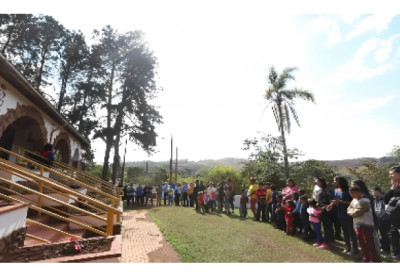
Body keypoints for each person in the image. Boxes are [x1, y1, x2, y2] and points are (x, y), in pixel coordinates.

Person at [347, 182, 380, 262]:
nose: (351, 195)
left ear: (359, 192)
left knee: (369, 245)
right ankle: (365, 259)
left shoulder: (365, 201)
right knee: (362, 244)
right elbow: (349, 208)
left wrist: (350, 212)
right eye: (350, 193)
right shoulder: (354, 200)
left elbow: (356, 213)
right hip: (358, 225)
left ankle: (373, 260)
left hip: (367, 226)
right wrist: (350, 211)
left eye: (353, 193)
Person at [329, 176, 359, 255]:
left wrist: (341, 201)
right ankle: (347, 247)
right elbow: (334, 200)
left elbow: (353, 203)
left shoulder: (348, 191)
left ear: (339, 181)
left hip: (348, 213)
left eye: (335, 181)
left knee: (351, 231)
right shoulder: (336, 190)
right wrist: (331, 204)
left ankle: (355, 248)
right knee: (344, 231)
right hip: (339, 213)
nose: (334, 182)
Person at [384, 166, 400, 261]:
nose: (390, 176)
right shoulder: (395, 187)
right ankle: (397, 253)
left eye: (392, 174)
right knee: (394, 237)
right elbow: (385, 200)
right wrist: (392, 189)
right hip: (395, 218)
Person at [315, 177, 335, 250]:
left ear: (321, 182)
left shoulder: (327, 189)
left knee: (327, 226)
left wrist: (323, 207)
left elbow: (330, 201)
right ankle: (331, 241)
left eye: (317, 182)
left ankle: (326, 243)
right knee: (327, 225)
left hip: (327, 210)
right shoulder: (321, 189)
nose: (316, 183)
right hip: (322, 209)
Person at [373, 186, 391, 255]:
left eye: (373, 192)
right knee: (380, 234)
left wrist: (381, 216)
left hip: (385, 219)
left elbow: (386, 210)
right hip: (378, 219)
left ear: (378, 191)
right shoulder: (375, 200)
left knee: (385, 234)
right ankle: (382, 247)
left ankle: (386, 249)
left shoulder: (385, 199)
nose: (373, 194)